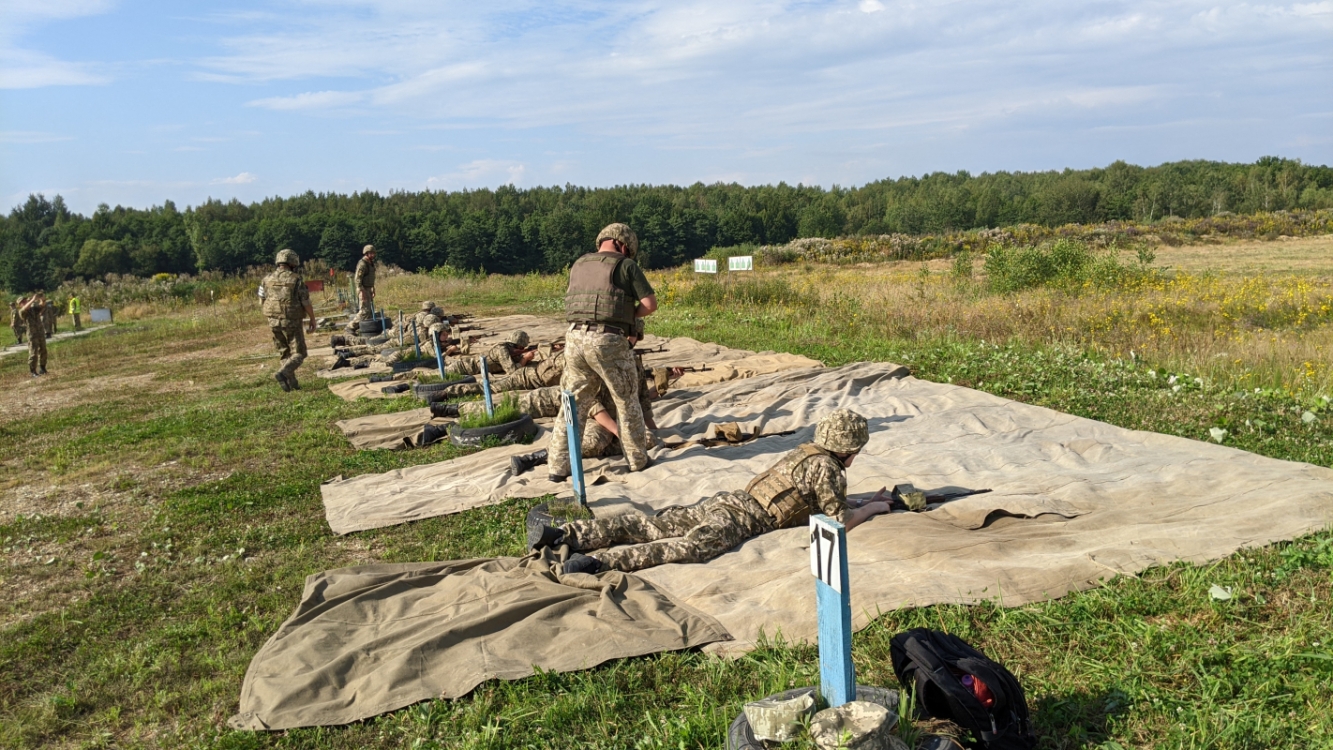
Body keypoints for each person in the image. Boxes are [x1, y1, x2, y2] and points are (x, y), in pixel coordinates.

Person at [530, 410, 897, 574]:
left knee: (652, 525)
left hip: (727, 500)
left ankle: (566, 534)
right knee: (686, 547)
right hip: (743, 519)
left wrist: (865, 499)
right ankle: (598, 563)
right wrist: (872, 511)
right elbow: (840, 521)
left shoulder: (807, 453)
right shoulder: (830, 468)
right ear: (851, 451)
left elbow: (820, 496)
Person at [546, 223, 658, 481]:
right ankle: (637, 460)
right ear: (623, 244)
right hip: (608, 340)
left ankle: (557, 467)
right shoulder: (626, 266)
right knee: (627, 401)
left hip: (573, 339)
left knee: (572, 406)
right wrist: (628, 316)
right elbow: (649, 305)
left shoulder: (579, 264)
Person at [259, 249, 316, 392]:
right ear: (292, 262)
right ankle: (283, 373)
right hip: (291, 319)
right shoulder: (296, 279)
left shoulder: (266, 279)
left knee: (284, 352)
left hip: (273, 320)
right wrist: (312, 318)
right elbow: (305, 301)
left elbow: (261, 300)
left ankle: (292, 383)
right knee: (299, 353)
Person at [18, 293, 48, 376]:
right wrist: (32, 300)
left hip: (40, 332)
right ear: (20, 305)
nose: (25, 302)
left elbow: (42, 306)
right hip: (32, 334)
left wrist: (42, 299)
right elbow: (25, 307)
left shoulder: (33, 309)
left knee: (43, 350)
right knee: (33, 353)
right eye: (22, 302)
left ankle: (43, 368)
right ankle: (33, 371)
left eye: (25, 300)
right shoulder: (22, 312)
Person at [349, 244, 377, 331]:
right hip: (363, 289)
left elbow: (370, 277)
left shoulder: (370, 263)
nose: (373, 255)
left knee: (369, 312)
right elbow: (358, 279)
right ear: (366, 253)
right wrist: (362, 291)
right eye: (371, 253)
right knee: (364, 311)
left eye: (373, 253)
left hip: (368, 288)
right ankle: (351, 327)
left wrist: (372, 288)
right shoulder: (363, 264)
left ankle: (365, 330)